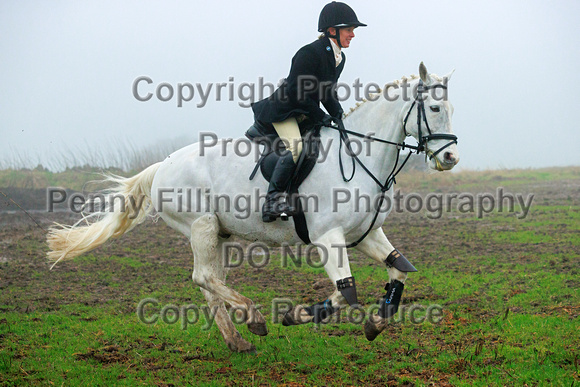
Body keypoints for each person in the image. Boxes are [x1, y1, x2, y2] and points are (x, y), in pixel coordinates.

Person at [252, 1, 366, 222]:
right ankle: (272, 201)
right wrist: (320, 116)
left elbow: (327, 92)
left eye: (353, 30)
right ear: (332, 30)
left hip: (304, 112)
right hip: (284, 110)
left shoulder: (339, 58)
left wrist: (339, 116)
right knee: (296, 148)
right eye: (349, 30)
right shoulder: (308, 53)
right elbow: (297, 94)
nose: (353, 35)